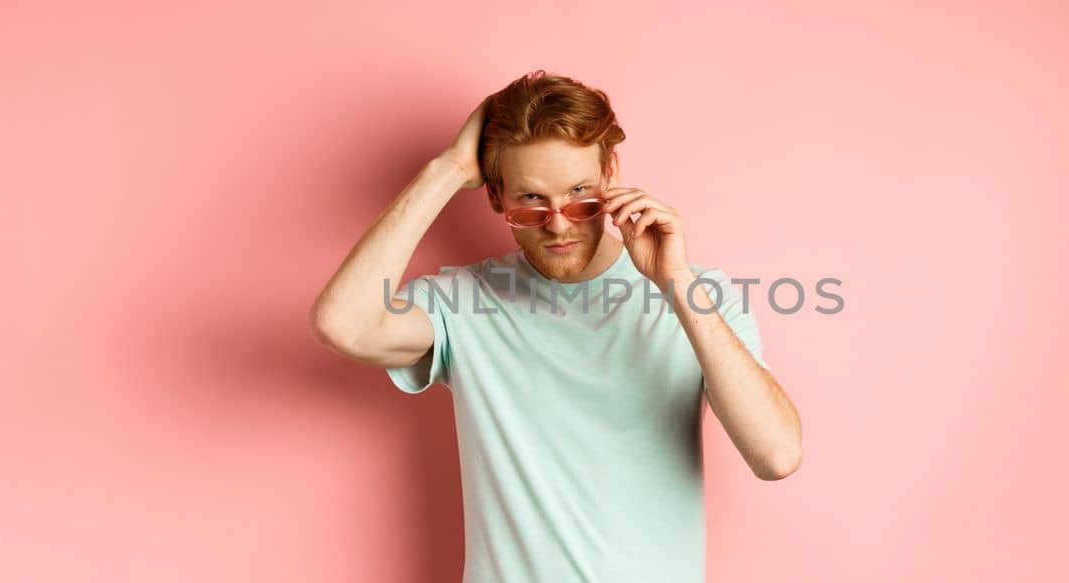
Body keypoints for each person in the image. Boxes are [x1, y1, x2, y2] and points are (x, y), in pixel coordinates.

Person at [309, 70, 802, 583]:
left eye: (579, 193)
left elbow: (777, 455)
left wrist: (675, 282)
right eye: (531, 201)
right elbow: (343, 326)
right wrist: (449, 168)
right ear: (497, 197)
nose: (560, 223)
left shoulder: (700, 295)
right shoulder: (464, 302)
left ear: (610, 172)